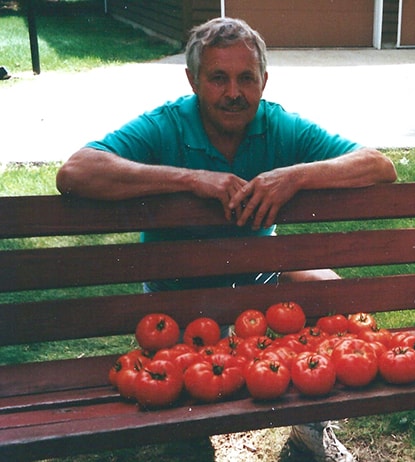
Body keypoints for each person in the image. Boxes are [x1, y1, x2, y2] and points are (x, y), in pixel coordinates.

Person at [56, 17, 396, 462]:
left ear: (263, 81)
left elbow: (379, 166)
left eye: (245, 78)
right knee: (182, 399)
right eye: (218, 78)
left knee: (330, 291)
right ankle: (188, 438)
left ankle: (309, 432)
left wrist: (294, 176)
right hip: (176, 288)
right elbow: (75, 171)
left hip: (258, 273)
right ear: (193, 80)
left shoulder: (278, 126)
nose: (233, 93)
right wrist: (190, 180)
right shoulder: (166, 125)